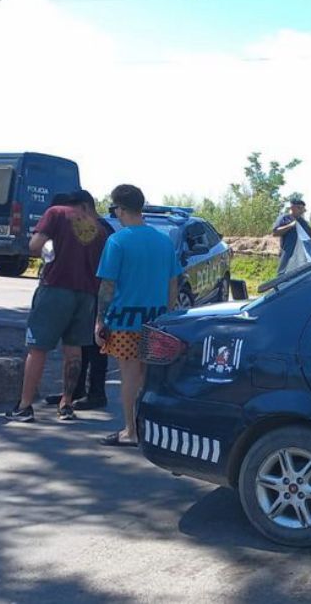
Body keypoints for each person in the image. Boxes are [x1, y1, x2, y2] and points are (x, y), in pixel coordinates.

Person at [5, 194, 108, 422]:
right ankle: (67, 404)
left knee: (38, 347)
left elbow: (35, 246)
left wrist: (48, 251)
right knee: (74, 349)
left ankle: (24, 406)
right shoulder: (99, 229)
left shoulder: (56, 213)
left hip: (55, 288)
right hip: (87, 294)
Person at [96, 184, 181, 446]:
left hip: (124, 322)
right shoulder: (164, 242)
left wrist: (100, 319)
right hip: (156, 321)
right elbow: (173, 283)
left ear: (120, 209)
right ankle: (147, 428)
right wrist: (167, 316)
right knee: (148, 378)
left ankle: (130, 430)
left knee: (130, 377)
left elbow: (108, 285)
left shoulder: (117, 241)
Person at [45, 190, 117, 410]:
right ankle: (75, 390)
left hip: (97, 292)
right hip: (82, 291)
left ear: (84, 206)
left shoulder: (102, 228)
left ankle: (96, 393)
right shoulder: (88, 225)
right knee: (78, 344)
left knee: (96, 345)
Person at [271, 196, 311, 275]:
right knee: (283, 275)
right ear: (292, 207)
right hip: (287, 253)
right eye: (299, 208)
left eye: (303, 209)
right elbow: (275, 232)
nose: (301, 211)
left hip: (301, 255)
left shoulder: (303, 222)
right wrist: (290, 225)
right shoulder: (284, 218)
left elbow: (309, 236)